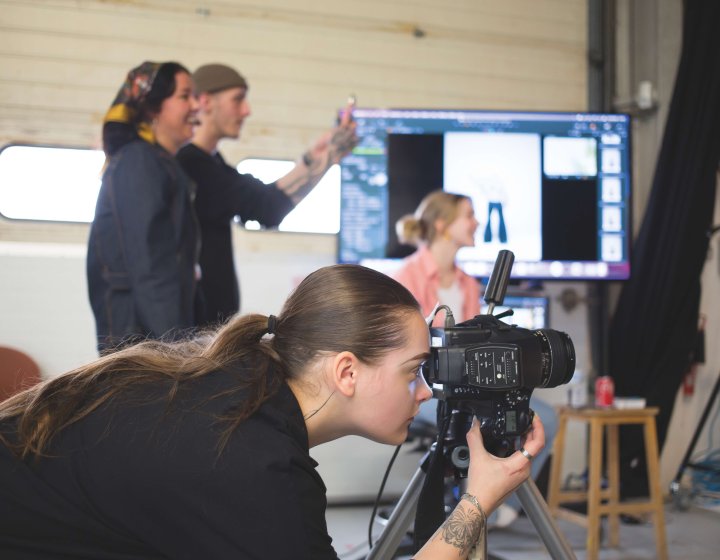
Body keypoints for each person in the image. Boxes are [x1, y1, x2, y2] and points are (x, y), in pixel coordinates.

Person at [0, 264, 544, 559]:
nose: (425, 392)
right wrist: (477, 502)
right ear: (347, 372)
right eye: (412, 371)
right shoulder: (254, 465)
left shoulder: (239, 388)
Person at [393, 190, 557, 529]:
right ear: (442, 224)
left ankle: (495, 506)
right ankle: (470, 506)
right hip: (424, 388)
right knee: (475, 420)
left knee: (546, 418)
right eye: (469, 214)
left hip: (474, 387)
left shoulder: (469, 285)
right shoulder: (405, 277)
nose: (477, 221)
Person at [177, 63, 358, 326]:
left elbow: (267, 206)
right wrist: (325, 157)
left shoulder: (212, 163)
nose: (247, 110)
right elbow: (266, 204)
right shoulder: (191, 165)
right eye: (237, 100)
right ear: (205, 101)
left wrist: (321, 156)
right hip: (190, 333)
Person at [86, 61, 200, 352]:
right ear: (152, 109)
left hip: (152, 340)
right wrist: (179, 353)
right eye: (185, 96)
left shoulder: (159, 163)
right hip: (139, 346)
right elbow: (149, 266)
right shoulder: (139, 162)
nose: (196, 106)